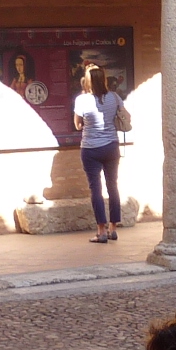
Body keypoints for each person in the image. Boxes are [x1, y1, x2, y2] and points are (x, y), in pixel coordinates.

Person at [72, 62, 124, 243]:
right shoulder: (115, 97)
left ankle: (101, 231)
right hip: (111, 146)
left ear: (87, 81)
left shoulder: (82, 100)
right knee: (113, 186)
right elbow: (122, 115)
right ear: (104, 79)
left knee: (96, 189)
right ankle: (113, 227)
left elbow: (77, 125)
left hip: (90, 148)